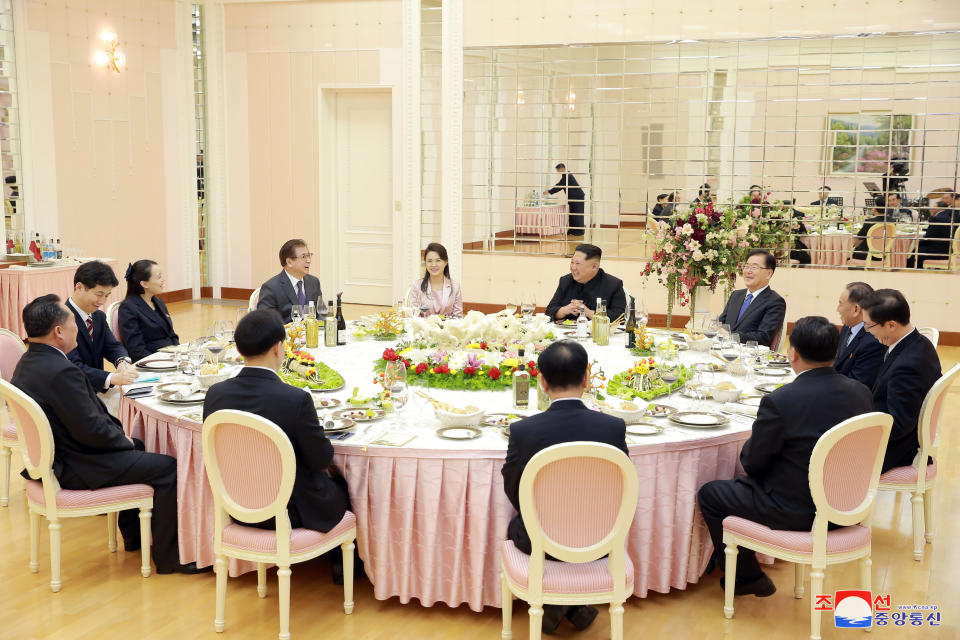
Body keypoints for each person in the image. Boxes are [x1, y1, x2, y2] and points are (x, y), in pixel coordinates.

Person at [12, 295, 204, 574]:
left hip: (57, 457)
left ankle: (134, 537)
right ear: (58, 332)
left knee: (138, 444)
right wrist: (121, 439)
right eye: (72, 322)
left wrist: (124, 439)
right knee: (166, 468)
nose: (77, 327)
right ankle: (169, 558)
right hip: (77, 464)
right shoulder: (63, 371)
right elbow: (90, 430)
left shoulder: (28, 361)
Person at [697, 316, 874, 597]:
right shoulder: (861, 392)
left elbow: (752, 464)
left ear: (792, 354)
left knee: (711, 493)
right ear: (836, 352)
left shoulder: (782, 400)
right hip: (847, 508)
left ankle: (747, 575)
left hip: (796, 512)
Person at [501, 340, 628, 634]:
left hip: (541, 540)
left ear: (542, 382)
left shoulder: (523, 431)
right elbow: (621, 485)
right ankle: (571, 608)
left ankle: (559, 606)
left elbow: (514, 489)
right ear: (586, 378)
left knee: (517, 526)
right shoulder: (613, 427)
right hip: (601, 539)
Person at [203, 310, 349, 534]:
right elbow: (321, 459)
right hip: (289, 512)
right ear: (277, 348)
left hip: (237, 506)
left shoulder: (215, 394)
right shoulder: (296, 399)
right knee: (345, 487)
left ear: (239, 349)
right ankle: (345, 563)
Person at [860, 289, 941, 472]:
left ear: (891, 325)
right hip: (896, 433)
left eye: (869, 326)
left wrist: (857, 431)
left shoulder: (907, 366)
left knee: (814, 452)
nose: (867, 332)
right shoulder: (918, 342)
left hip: (897, 449)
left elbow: (899, 425)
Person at [66, 260, 137, 393]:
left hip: (97, 388)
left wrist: (122, 361)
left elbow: (112, 346)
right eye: (99, 294)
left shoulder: (98, 316)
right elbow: (73, 366)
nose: (103, 301)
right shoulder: (62, 320)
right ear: (79, 287)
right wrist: (112, 378)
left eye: (107, 295)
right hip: (75, 392)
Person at [716, 249, 786, 347]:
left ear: (769, 273)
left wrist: (730, 336)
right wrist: (715, 326)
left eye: (754, 267)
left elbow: (763, 337)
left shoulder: (775, 302)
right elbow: (720, 323)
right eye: (746, 266)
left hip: (750, 357)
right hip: (724, 351)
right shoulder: (736, 295)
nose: (748, 271)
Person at [545, 244, 626, 323]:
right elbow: (549, 311)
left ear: (594, 267)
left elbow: (620, 317)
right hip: (565, 333)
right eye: (572, 262)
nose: (573, 267)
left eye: (578, 263)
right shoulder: (565, 281)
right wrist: (564, 310)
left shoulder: (613, 284)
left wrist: (589, 312)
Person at [117, 260, 180, 362]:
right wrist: (162, 362)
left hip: (171, 358)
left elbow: (172, 335)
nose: (163, 279)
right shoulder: (128, 308)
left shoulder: (158, 302)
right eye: (159, 277)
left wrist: (178, 353)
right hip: (151, 363)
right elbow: (136, 350)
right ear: (144, 284)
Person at [257, 239, 323, 323]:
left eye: (309, 255)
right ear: (289, 262)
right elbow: (266, 321)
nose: (308, 260)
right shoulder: (271, 287)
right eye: (303, 257)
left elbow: (320, 313)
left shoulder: (313, 282)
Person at [834, 282, 885, 388]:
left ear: (856, 309)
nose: (837, 309)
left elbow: (857, 385)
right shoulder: (847, 327)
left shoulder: (873, 341)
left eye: (840, 304)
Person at [406, 242, 463, 317]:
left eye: (438, 260)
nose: (433, 265)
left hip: (447, 328)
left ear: (445, 262)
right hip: (423, 328)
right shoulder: (417, 286)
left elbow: (458, 316)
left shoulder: (455, 287)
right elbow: (414, 315)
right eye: (429, 261)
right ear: (425, 263)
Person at [908, 190, 958, 269]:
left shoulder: (936, 219)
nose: (930, 209)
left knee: (914, 252)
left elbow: (928, 238)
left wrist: (916, 243)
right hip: (947, 249)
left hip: (937, 251)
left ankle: (913, 272)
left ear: (938, 208)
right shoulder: (949, 217)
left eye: (933, 207)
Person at [547, 163, 586, 237]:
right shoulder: (566, 175)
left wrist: (549, 191)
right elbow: (560, 184)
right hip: (574, 198)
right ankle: (573, 230)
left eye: (558, 170)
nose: (558, 171)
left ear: (561, 168)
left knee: (577, 214)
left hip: (577, 197)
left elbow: (560, 185)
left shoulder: (567, 175)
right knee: (572, 215)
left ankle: (579, 231)